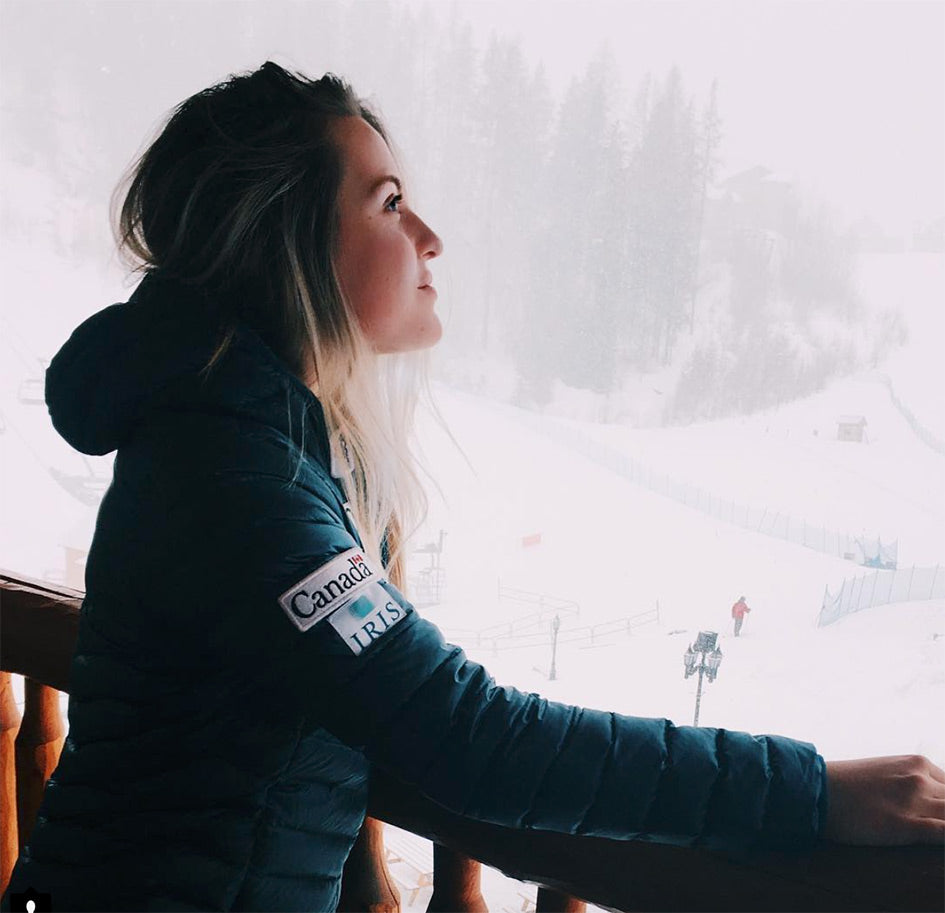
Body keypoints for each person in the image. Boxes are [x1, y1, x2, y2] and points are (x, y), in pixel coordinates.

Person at [2, 62, 943, 912]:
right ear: (283, 241)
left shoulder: (243, 431)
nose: (429, 237)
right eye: (388, 203)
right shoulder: (237, 477)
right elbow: (471, 739)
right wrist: (813, 792)